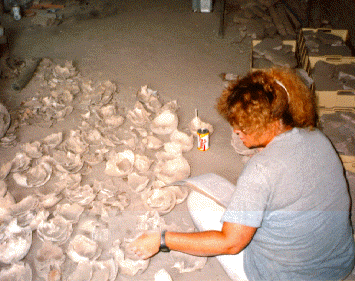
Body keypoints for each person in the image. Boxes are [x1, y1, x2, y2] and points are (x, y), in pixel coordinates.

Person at [128, 67, 355, 280]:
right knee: (218, 185)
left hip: (285, 275)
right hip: (340, 265)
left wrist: (161, 240)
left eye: (243, 127)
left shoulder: (260, 170)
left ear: (268, 122)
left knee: (198, 200)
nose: (236, 132)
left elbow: (230, 244)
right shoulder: (318, 138)